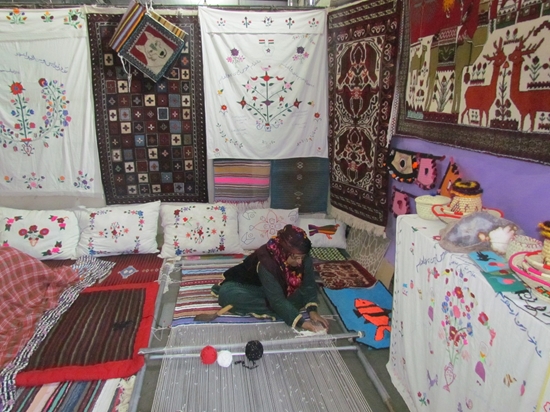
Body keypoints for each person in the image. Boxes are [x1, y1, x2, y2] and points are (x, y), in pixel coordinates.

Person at [211, 224, 329, 332]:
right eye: (296, 258)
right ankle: (283, 308)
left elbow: (309, 284)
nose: (299, 262)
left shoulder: (302, 255)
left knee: (292, 297)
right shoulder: (267, 262)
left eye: (302, 257)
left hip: (276, 290)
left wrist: (313, 311)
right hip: (251, 285)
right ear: (284, 252)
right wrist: (303, 323)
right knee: (228, 294)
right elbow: (277, 300)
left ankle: (282, 308)